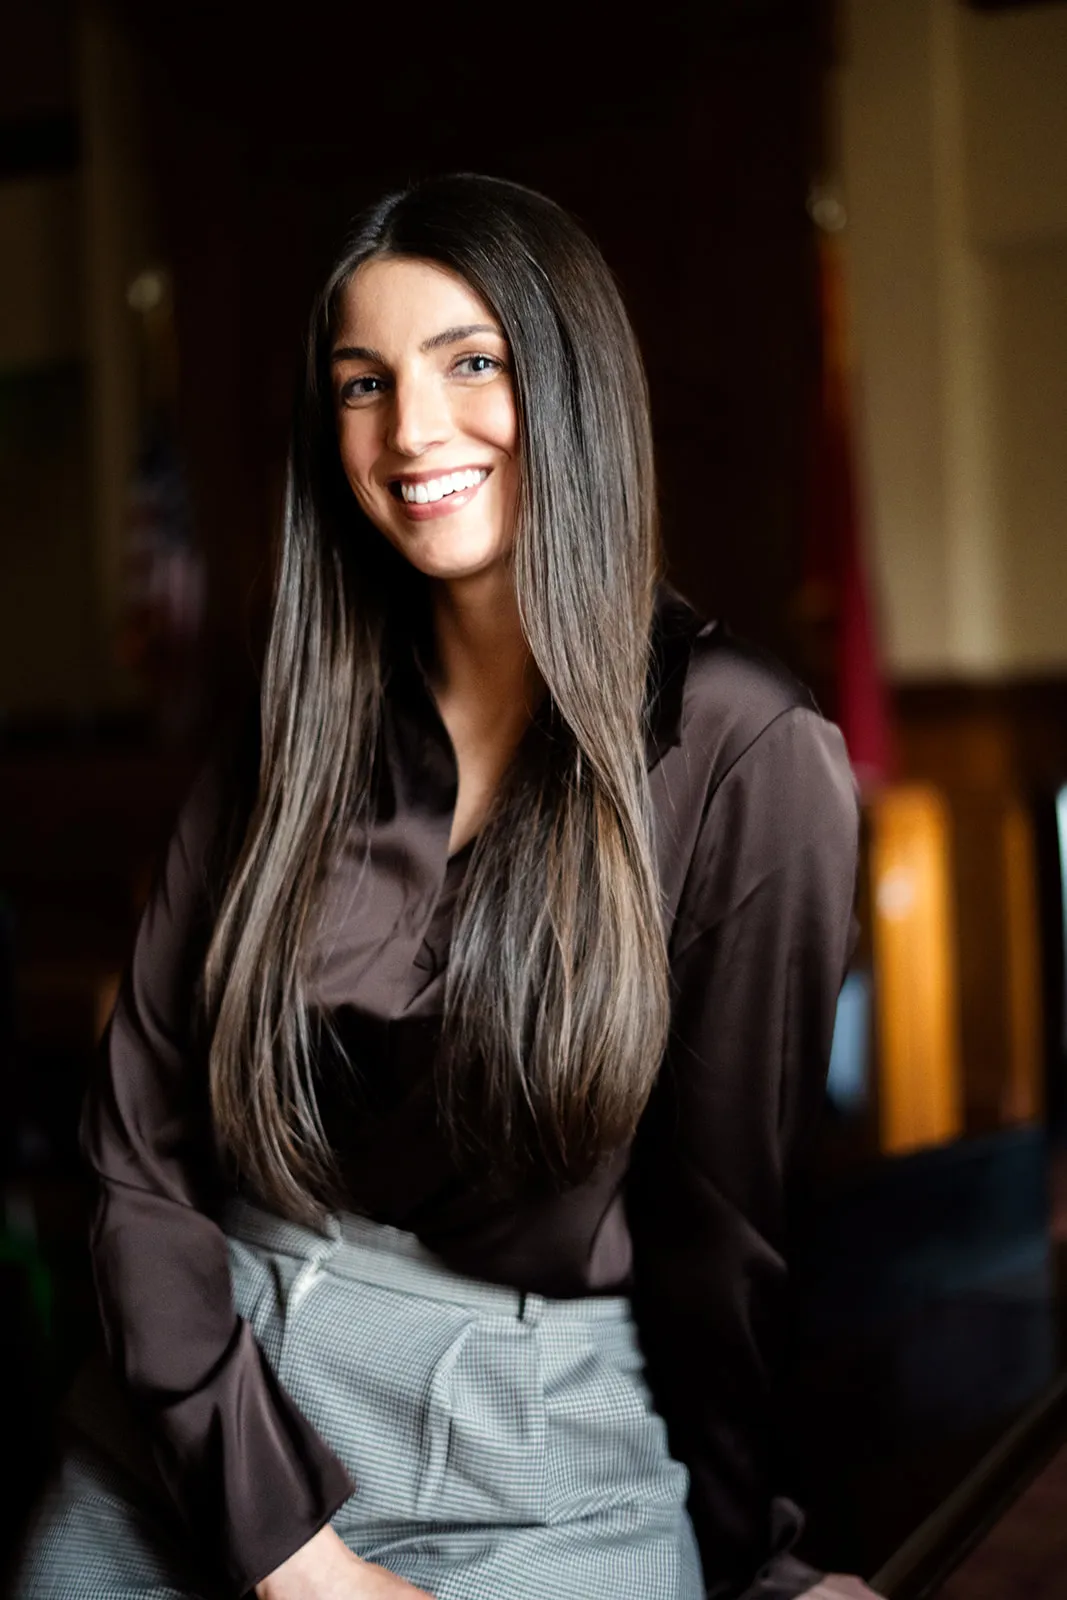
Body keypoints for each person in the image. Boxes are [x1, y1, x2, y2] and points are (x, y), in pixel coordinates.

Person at [12, 174, 874, 1600]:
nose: (412, 431)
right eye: (363, 383)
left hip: (524, 1463)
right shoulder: (293, 720)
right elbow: (135, 1151)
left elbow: (723, 1246)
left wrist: (756, 1570)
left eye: (471, 363)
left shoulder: (745, 751)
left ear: (574, 385)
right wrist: (289, 1552)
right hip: (191, 1415)